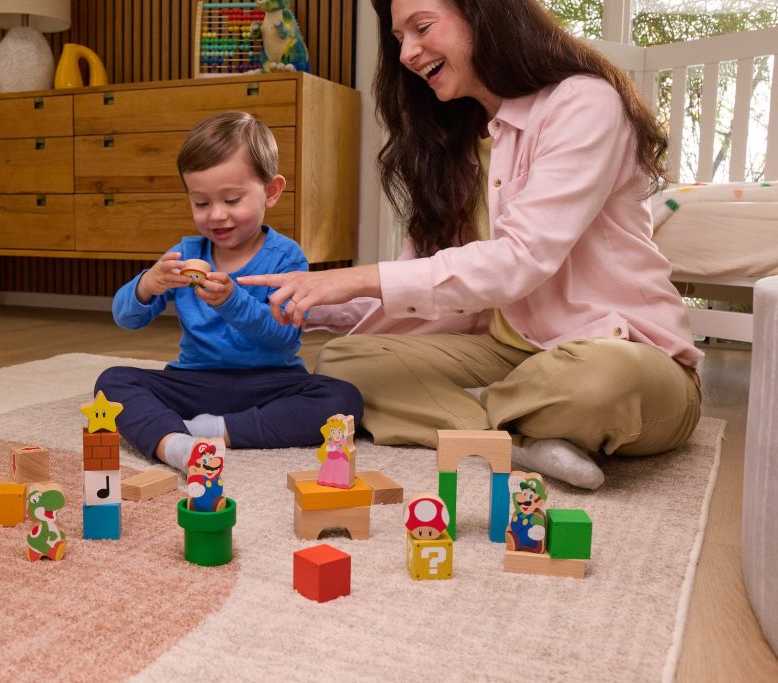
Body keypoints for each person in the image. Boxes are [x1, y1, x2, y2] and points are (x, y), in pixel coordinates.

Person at [239, 0, 702, 489]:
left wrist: (352, 276)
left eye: (421, 28)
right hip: (508, 353)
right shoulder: (453, 143)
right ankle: (526, 437)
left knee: (600, 383)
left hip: (620, 352)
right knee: (343, 364)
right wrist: (303, 301)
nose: (407, 55)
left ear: (485, 14)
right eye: (400, 40)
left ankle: (480, 413)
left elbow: (520, 260)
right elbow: (417, 288)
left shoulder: (583, 102)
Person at [95, 111, 363, 472]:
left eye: (232, 200)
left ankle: (216, 430)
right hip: (194, 381)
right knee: (112, 381)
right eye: (201, 203)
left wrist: (232, 301)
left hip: (270, 382)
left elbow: (282, 338)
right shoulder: (186, 254)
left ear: (271, 192)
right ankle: (173, 445)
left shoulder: (286, 257)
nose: (216, 215)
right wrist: (147, 285)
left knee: (343, 400)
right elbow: (125, 318)